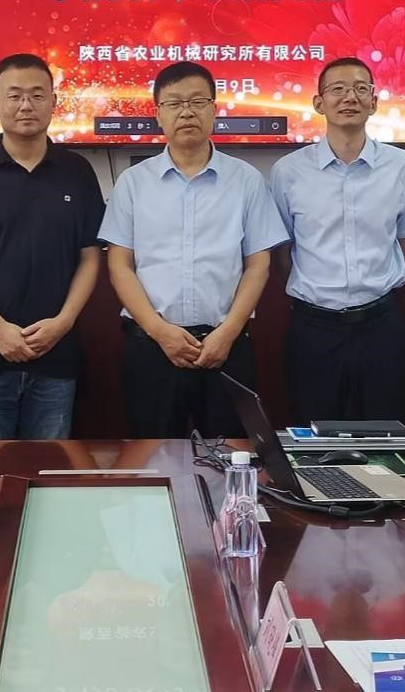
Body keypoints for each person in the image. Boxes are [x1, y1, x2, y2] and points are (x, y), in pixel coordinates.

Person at [99, 61, 288, 439]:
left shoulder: (246, 180)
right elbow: (120, 265)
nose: (187, 112)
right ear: (158, 114)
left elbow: (258, 265)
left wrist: (228, 332)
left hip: (226, 347)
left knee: (231, 458)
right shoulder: (133, 183)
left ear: (214, 110)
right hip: (151, 347)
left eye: (198, 102)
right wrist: (159, 330)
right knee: (152, 456)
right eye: (174, 103)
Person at [0, 53, 104, 439]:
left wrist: (63, 323)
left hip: (57, 356)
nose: (26, 105)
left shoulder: (77, 171)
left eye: (37, 95)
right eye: (14, 96)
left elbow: (91, 258)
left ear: (53, 102)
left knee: (48, 467)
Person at [269, 56, 405, 425]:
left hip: (381, 325)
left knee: (386, 436)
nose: (349, 97)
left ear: (374, 102)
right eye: (337, 89)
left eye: (360, 89)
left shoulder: (403, 168)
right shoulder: (288, 172)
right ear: (318, 103)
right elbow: (283, 251)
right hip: (313, 328)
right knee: (314, 438)